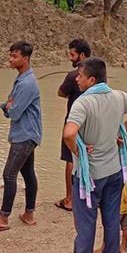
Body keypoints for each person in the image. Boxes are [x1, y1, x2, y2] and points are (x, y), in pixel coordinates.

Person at [56, 57, 127, 253]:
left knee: (86, 227)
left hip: (90, 176)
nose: (76, 79)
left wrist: (77, 151)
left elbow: (68, 133)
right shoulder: (118, 97)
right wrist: (121, 132)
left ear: (92, 79)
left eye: (80, 75)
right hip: (113, 172)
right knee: (111, 222)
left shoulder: (82, 103)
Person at [0, 41, 42, 231]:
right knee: (27, 173)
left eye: (14, 56)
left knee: (9, 174)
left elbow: (14, 111)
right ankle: (29, 214)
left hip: (25, 135)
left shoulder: (27, 83)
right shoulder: (22, 79)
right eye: (10, 55)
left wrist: (8, 106)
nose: (10, 59)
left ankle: (3, 218)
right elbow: (10, 103)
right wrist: (8, 105)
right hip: (27, 133)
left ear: (26, 58)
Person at [55, 38, 91, 212]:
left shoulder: (72, 76)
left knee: (71, 158)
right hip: (91, 122)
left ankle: (70, 199)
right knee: (87, 155)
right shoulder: (98, 74)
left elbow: (61, 93)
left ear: (81, 55)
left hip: (74, 122)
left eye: (72, 54)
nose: (70, 58)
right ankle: (86, 195)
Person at [93, 136, 127, 253]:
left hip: (116, 205)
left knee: (110, 226)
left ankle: (104, 248)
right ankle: (123, 247)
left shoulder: (116, 169)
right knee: (126, 226)